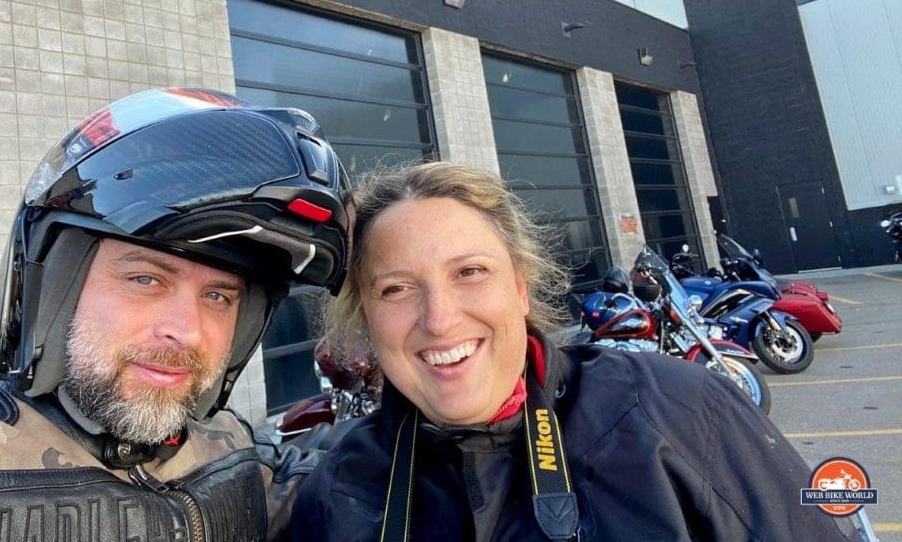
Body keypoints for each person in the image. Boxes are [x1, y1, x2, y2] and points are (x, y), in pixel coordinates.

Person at [291, 161, 860, 542]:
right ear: (366, 315)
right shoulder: (337, 489)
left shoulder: (682, 412)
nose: (439, 320)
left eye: (470, 272)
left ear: (518, 287)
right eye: (396, 288)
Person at [0, 87, 352, 541]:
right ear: (55, 289)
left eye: (218, 297)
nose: (185, 333)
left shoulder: (238, 449)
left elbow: (350, 492)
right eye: (145, 280)